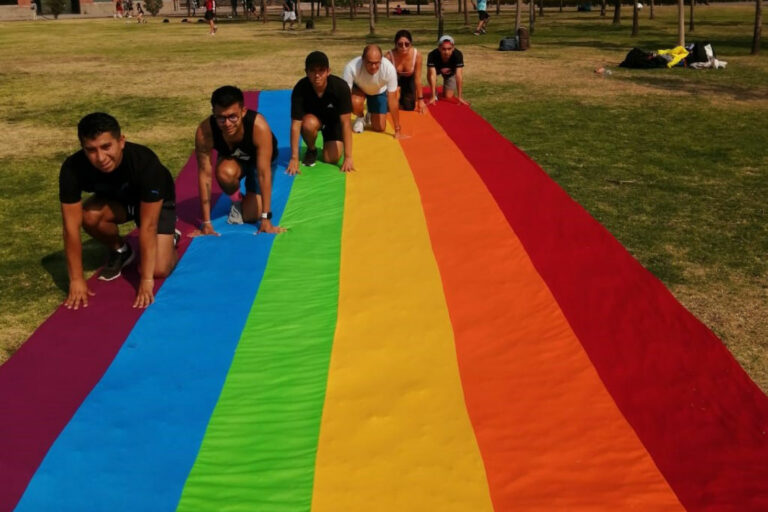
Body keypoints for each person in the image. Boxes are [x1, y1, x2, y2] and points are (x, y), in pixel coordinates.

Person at [59, 113, 178, 310]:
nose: (100, 157)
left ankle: (170, 238)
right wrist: (76, 279)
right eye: (91, 150)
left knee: (158, 269)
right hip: (118, 201)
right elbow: (70, 228)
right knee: (88, 216)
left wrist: (146, 281)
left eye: (106, 147)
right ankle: (121, 250)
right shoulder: (72, 168)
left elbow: (148, 225)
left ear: (121, 141)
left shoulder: (145, 163)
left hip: (153, 202)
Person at [192, 86, 283, 235]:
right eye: (221, 118)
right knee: (224, 173)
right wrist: (207, 223)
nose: (227, 123)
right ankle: (237, 200)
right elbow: (204, 176)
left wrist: (266, 219)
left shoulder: (258, 126)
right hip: (234, 160)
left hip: (259, 163)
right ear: (214, 114)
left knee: (252, 215)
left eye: (232, 117)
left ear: (243, 111)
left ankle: (251, 202)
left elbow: (263, 173)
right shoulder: (205, 131)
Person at [287, 51, 354, 175]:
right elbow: (296, 125)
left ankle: (329, 145)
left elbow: (346, 123)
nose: (317, 75)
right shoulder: (300, 89)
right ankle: (311, 149)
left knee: (331, 159)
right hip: (313, 121)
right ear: (306, 72)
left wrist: (348, 157)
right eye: (312, 71)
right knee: (308, 124)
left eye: (321, 70)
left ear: (328, 71)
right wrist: (294, 158)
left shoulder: (340, 87)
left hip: (333, 123)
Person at [342, 44, 403, 138]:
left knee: (380, 127)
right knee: (355, 102)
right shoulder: (351, 67)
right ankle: (360, 117)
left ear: (381, 60)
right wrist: (341, 127)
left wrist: (397, 129)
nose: (374, 67)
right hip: (359, 89)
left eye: (377, 63)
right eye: (370, 63)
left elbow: (393, 100)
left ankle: (369, 115)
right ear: (362, 59)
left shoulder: (389, 69)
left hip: (378, 91)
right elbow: (344, 97)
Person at [385, 30, 425, 113]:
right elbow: (384, 79)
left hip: (409, 79)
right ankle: (397, 96)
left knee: (409, 107)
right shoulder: (388, 56)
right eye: (400, 44)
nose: (404, 47)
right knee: (388, 107)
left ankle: (404, 96)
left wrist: (420, 100)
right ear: (395, 44)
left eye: (407, 44)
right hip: (394, 80)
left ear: (411, 44)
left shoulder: (417, 55)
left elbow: (417, 79)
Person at [427, 35, 469, 106]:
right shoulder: (432, 55)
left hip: (450, 73)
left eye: (449, 49)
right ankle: (434, 91)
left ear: (453, 48)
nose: (446, 52)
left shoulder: (458, 55)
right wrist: (433, 95)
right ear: (439, 48)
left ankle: (446, 86)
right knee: (429, 73)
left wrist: (459, 97)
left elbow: (459, 75)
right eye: (444, 49)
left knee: (448, 96)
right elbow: (432, 75)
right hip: (436, 70)